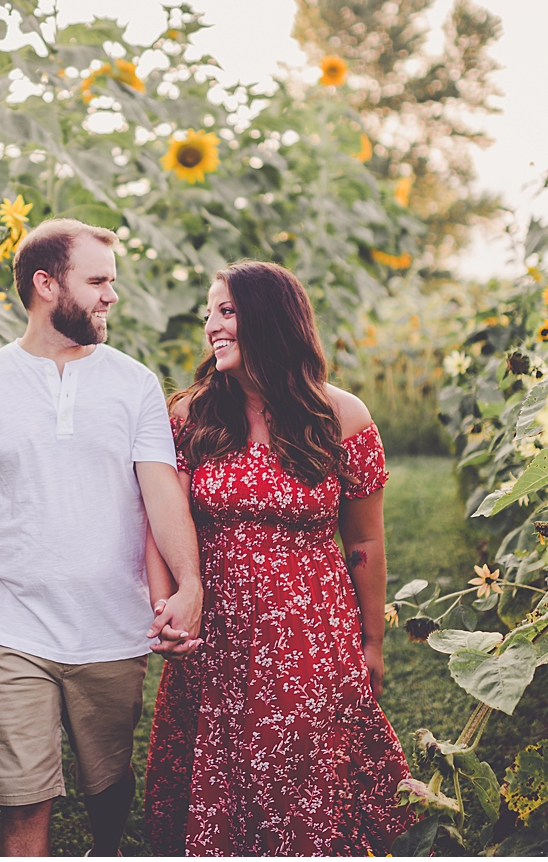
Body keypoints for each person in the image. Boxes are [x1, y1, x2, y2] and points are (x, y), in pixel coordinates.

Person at [0, 218, 204, 857]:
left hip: (110, 625)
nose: (112, 296)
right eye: (98, 281)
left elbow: (162, 492)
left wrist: (190, 583)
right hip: (6, 626)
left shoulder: (132, 384)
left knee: (107, 785)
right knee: (23, 802)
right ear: (46, 284)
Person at [143, 260, 414, 856]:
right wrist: (166, 607)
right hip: (219, 630)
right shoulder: (191, 417)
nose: (212, 326)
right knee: (220, 763)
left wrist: (372, 643)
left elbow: (365, 544)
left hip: (311, 631)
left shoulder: (342, 418)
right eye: (210, 313)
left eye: (227, 310)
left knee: (303, 768)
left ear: (271, 319)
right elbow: (163, 522)